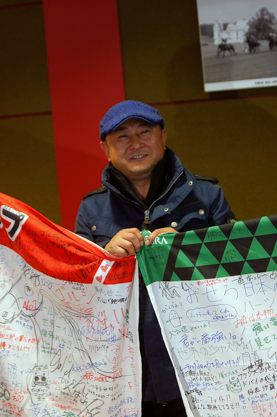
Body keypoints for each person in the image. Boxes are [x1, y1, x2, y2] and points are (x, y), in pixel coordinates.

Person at [74, 100, 235, 416]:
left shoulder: (207, 195)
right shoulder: (91, 210)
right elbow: (78, 292)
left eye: (144, 132)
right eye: (122, 137)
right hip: (127, 379)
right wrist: (106, 258)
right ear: (105, 149)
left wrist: (189, 249)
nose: (135, 144)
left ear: (162, 136)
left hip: (202, 366)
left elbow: (237, 273)